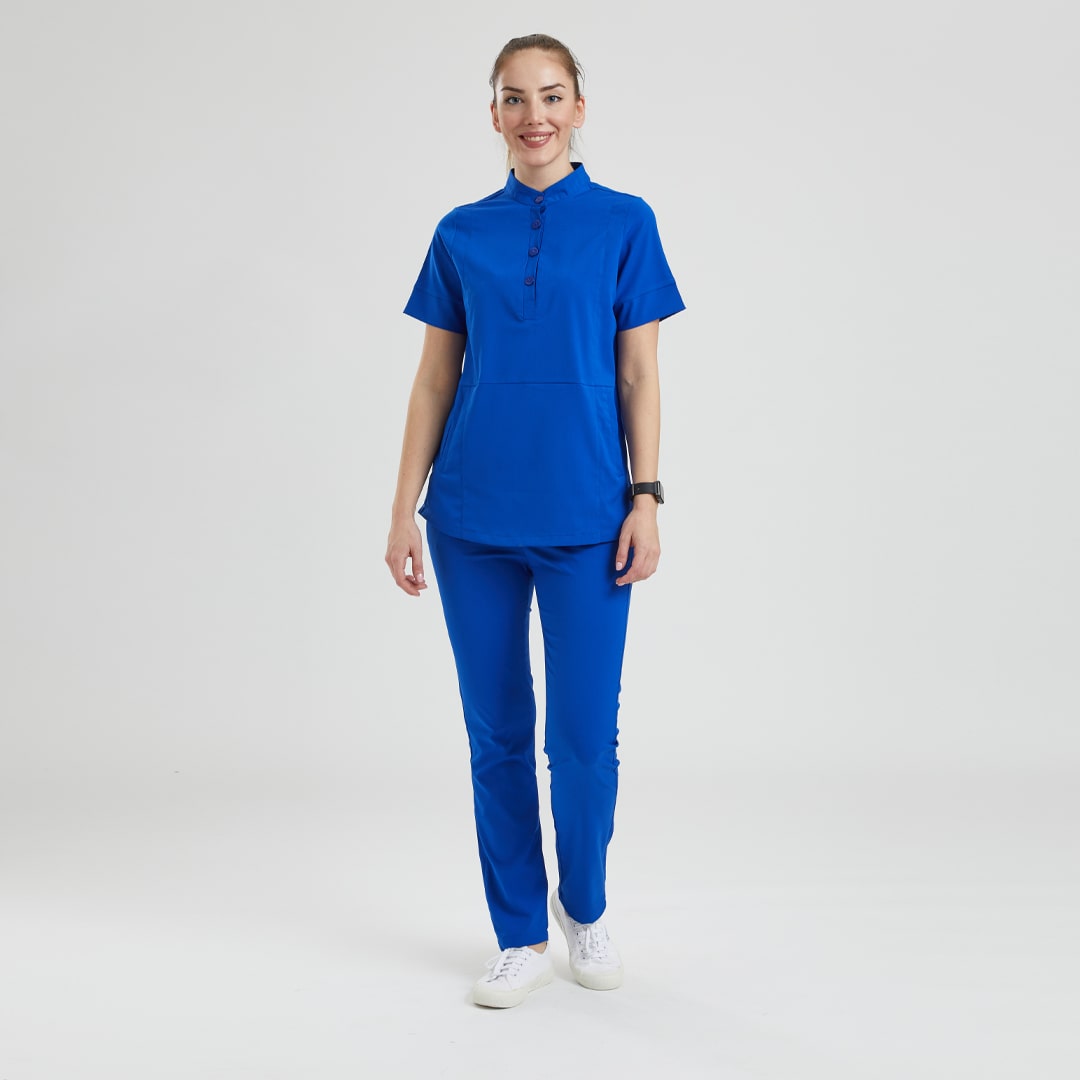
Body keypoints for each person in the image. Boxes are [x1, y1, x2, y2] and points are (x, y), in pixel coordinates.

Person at [385, 33, 685, 1008]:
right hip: (470, 517)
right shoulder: (460, 232)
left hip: (590, 515)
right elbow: (435, 379)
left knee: (585, 740)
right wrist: (403, 509)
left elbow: (638, 374)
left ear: (579, 108)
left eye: (551, 96)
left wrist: (646, 496)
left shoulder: (626, 222)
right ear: (494, 114)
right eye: (514, 98)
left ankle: (583, 908)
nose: (534, 115)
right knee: (498, 735)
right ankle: (518, 930)